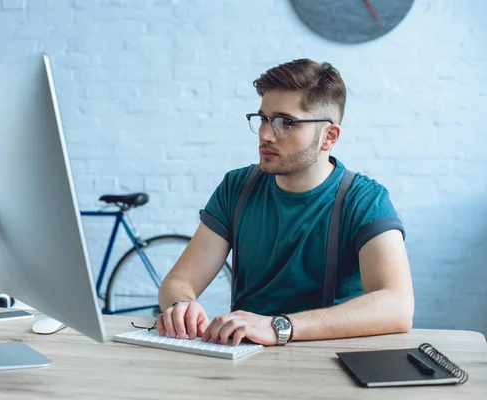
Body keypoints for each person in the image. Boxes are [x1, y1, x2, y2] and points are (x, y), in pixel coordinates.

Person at [156, 59, 414, 346]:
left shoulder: (364, 200)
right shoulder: (237, 187)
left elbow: (398, 306)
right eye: (263, 119)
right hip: (242, 358)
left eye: (284, 123)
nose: (266, 134)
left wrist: (279, 326)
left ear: (328, 136)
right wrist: (182, 306)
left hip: (325, 362)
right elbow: (179, 281)